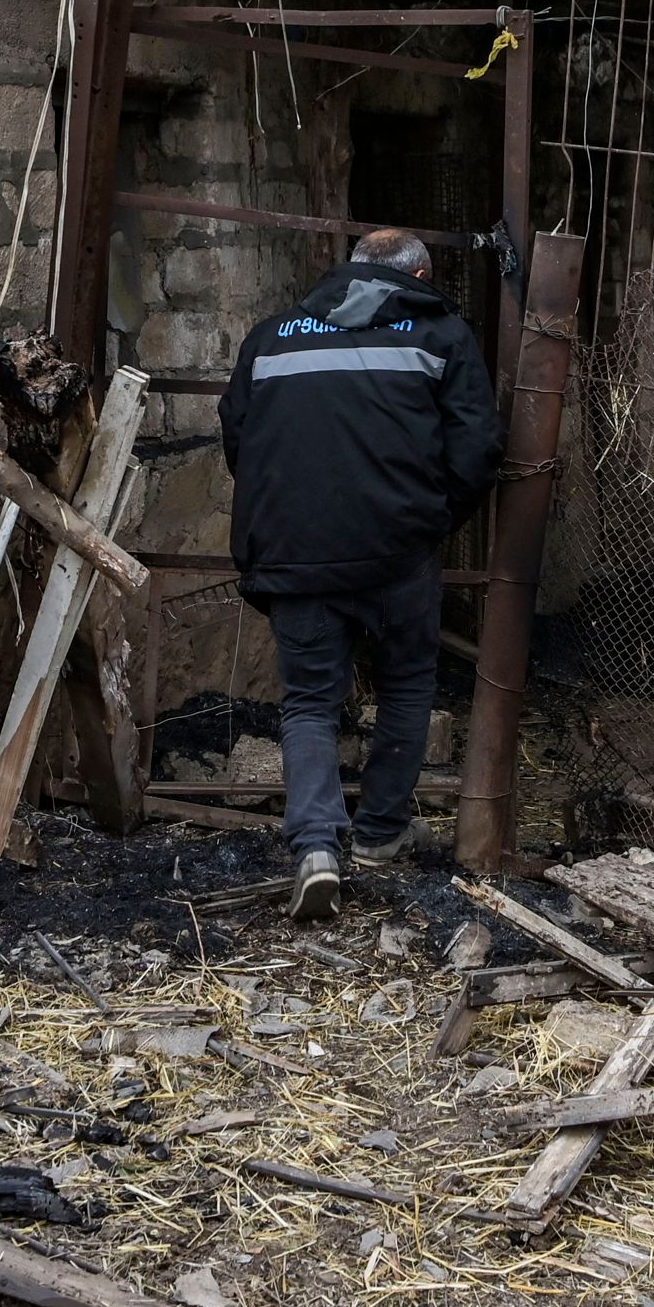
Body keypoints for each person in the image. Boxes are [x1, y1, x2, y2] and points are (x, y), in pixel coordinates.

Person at [220, 229, 505, 919]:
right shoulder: (441, 336)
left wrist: (290, 519)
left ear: (348, 270)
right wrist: (432, 519)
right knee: (406, 682)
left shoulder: (272, 337)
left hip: (294, 552)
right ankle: (379, 834)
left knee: (309, 702)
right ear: (420, 276)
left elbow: (238, 437)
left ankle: (316, 848)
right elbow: (476, 448)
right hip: (397, 551)